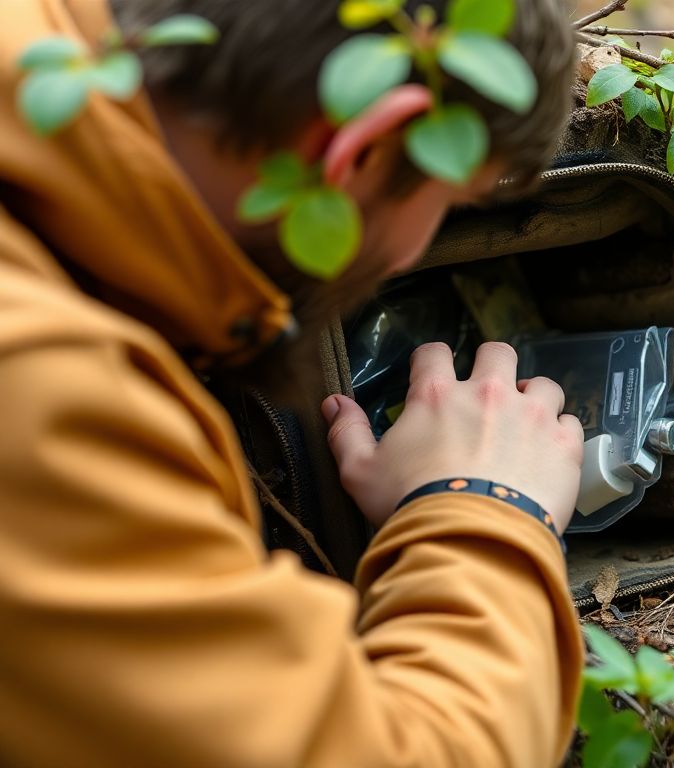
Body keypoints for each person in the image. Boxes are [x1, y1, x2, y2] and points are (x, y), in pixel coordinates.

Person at [0, 1, 584, 765]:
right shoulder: (47, 393)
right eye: (448, 203)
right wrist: (483, 506)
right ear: (362, 150)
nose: (414, 254)